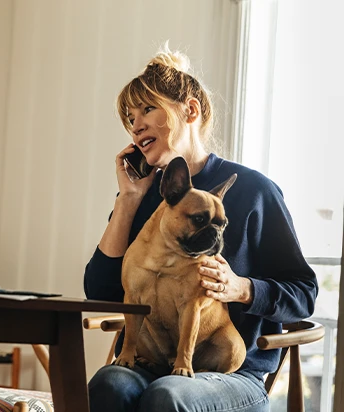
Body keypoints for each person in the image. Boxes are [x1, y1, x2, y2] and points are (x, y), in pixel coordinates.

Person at [84, 44, 318, 412]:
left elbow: (304, 294)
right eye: (130, 117)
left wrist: (241, 288)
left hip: (231, 374)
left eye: (147, 109)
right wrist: (127, 200)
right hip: (149, 362)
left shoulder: (256, 192)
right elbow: (99, 291)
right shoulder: (146, 197)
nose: (136, 125)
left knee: (167, 396)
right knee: (107, 384)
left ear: (189, 110)